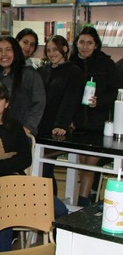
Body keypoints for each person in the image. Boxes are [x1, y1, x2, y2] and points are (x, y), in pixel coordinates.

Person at [0, 84, 66, 253]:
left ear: (6, 103)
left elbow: (25, 158)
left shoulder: (15, 127)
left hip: (17, 182)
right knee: (4, 209)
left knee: (59, 209)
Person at [70, 26, 123, 207]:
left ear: (96, 45)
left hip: (98, 124)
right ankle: (84, 201)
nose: (85, 46)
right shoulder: (73, 63)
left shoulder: (106, 64)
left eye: (89, 43)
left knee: (88, 167)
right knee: (82, 165)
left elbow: (115, 92)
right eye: (81, 42)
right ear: (76, 44)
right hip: (77, 124)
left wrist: (98, 102)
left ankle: (82, 205)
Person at [38, 35, 83, 194]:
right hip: (40, 126)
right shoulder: (43, 71)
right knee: (39, 169)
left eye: (55, 49)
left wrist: (61, 124)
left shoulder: (74, 71)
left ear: (65, 49)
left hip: (57, 129)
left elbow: (71, 99)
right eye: (48, 50)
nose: (51, 53)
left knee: (46, 168)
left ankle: (50, 207)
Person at [0, 36, 45, 135]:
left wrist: (28, 127)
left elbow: (39, 103)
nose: (3, 54)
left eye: (8, 50)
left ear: (16, 51)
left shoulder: (29, 74)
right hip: (0, 133)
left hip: (21, 135)